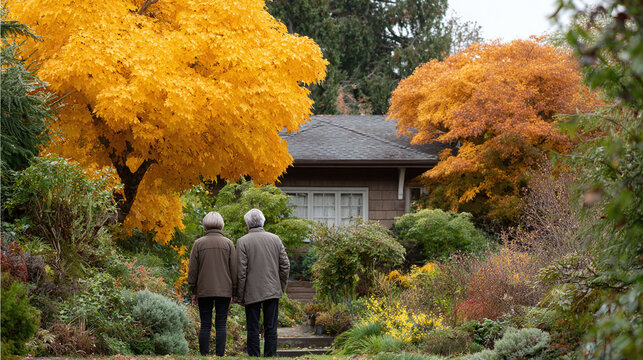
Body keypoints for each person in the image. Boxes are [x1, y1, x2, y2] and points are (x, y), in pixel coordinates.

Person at [236, 208, 290, 357]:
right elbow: (285, 266)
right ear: (263, 222)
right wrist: (281, 286)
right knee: (271, 327)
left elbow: (241, 272)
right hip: (272, 290)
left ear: (247, 225)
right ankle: (270, 356)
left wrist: (239, 296)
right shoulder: (275, 239)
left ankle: (254, 356)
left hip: (251, 292)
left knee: (252, 328)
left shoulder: (242, 242)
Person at [187, 211, 237, 356]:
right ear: (221, 224)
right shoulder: (228, 244)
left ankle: (204, 355)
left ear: (205, 224)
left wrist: (194, 290)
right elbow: (234, 270)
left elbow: (193, 270)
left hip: (204, 290)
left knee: (205, 324)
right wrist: (234, 291)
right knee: (221, 324)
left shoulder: (198, 243)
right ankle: (220, 355)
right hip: (224, 290)